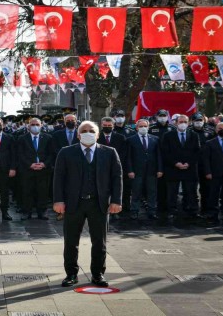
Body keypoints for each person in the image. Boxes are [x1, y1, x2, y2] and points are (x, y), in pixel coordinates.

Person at [53, 121, 122, 288]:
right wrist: (58, 200)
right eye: (84, 131)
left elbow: (117, 177)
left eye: (92, 131)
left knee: (99, 241)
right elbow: (58, 178)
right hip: (73, 203)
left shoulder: (109, 152)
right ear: (78, 135)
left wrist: (116, 201)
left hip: (99, 203)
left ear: (98, 135)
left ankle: (98, 274)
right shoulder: (66, 152)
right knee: (71, 241)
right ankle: (71, 274)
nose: (88, 133)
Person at [161, 115, 201, 220]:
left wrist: (189, 163)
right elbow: (165, 153)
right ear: (176, 123)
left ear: (188, 123)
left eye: (185, 122)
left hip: (189, 169)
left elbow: (197, 152)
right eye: (181, 121)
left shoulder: (194, 135)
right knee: (172, 192)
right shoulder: (168, 135)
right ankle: (172, 211)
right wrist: (175, 163)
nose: (183, 124)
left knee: (190, 191)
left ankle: (191, 210)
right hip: (173, 168)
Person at [17, 117, 54, 220]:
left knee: (43, 191)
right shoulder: (22, 138)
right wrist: (30, 164)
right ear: (28, 126)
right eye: (32, 125)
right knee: (27, 191)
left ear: (41, 125)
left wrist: (44, 164)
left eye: (37, 125)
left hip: (43, 170)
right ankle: (26, 212)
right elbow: (20, 154)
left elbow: (51, 154)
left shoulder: (48, 138)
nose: (35, 127)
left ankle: (42, 212)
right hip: (27, 170)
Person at [126, 119, 163, 220]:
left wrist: (160, 169)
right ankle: (134, 211)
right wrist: (130, 170)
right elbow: (128, 157)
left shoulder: (155, 139)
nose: (143, 128)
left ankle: (152, 211)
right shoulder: (131, 139)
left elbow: (158, 155)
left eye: (145, 126)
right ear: (137, 127)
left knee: (152, 191)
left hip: (152, 170)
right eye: (141, 126)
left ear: (148, 127)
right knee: (136, 192)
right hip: (137, 171)